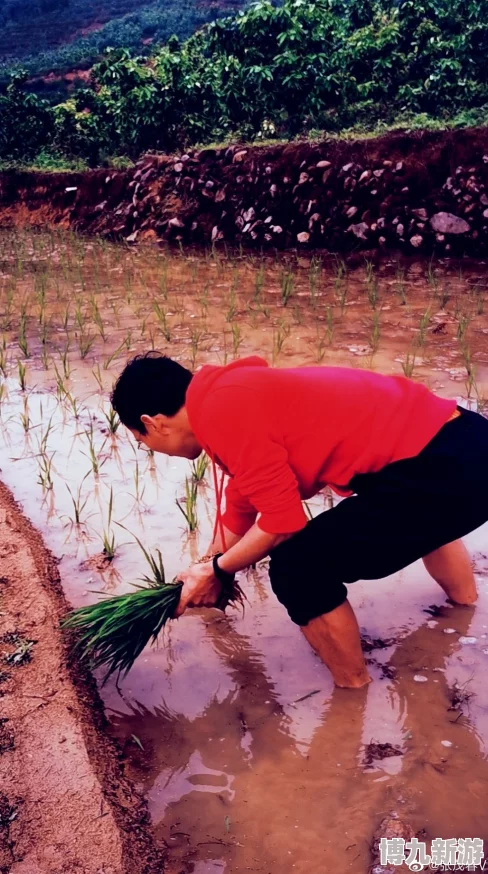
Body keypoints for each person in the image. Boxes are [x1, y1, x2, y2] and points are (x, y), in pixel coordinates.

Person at [111, 352, 488, 688]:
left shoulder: (222, 413)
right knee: (423, 519)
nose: (151, 448)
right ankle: (463, 610)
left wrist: (218, 571)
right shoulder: (229, 393)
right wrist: (202, 568)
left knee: (298, 567)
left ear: (153, 422)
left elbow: (283, 521)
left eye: (141, 440)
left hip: (445, 472)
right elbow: (245, 498)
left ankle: (352, 691)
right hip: (470, 442)